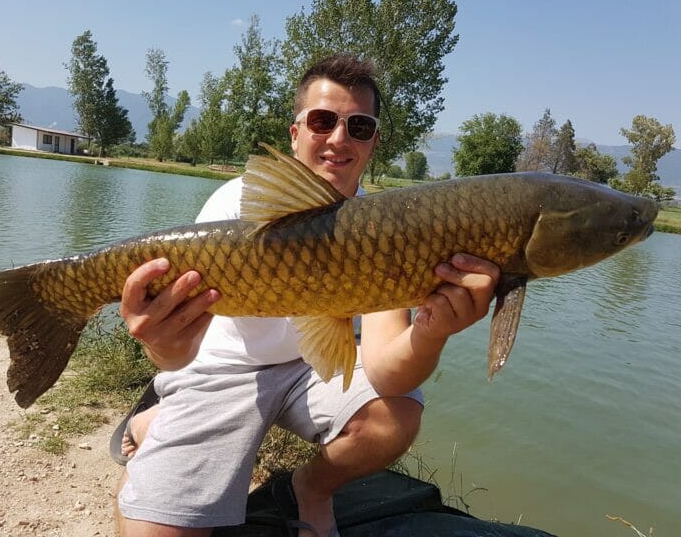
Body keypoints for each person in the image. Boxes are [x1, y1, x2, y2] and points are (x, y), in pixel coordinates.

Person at [115, 54, 500, 537]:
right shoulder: (235, 205)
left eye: (359, 126)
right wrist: (156, 343)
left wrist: (433, 330)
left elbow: (385, 370)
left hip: (307, 368)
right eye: (322, 121)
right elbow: (174, 352)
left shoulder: (388, 228)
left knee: (394, 415)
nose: (339, 138)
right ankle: (156, 421)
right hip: (224, 367)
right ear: (295, 132)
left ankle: (310, 489)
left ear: (373, 142)